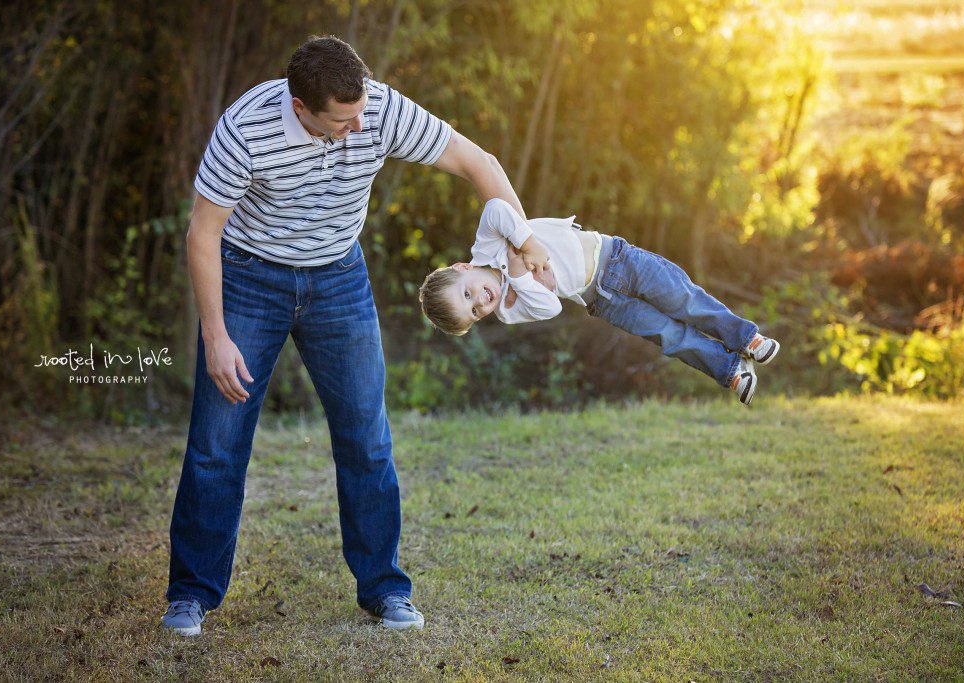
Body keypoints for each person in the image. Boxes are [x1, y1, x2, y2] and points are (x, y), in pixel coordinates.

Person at [163, 35, 529, 635]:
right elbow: (202, 234)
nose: (361, 126)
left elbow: (477, 163)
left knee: (366, 437)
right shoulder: (246, 130)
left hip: (338, 276)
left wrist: (523, 243)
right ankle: (190, 595)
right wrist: (216, 334)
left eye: (362, 111)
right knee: (217, 442)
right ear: (301, 107)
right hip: (251, 276)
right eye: (344, 118)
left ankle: (385, 589)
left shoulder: (377, 108)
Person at [418, 198, 780, 404]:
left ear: (462, 267)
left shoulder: (487, 243)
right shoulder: (509, 310)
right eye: (476, 312)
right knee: (667, 335)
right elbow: (551, 307)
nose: (481, 302)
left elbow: (496, 206)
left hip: (618, 258)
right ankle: (730, 370)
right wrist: (518, 275)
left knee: (685, 299)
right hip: (603, 301)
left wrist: (526, 245)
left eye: (468, 293)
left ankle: (745, 338)